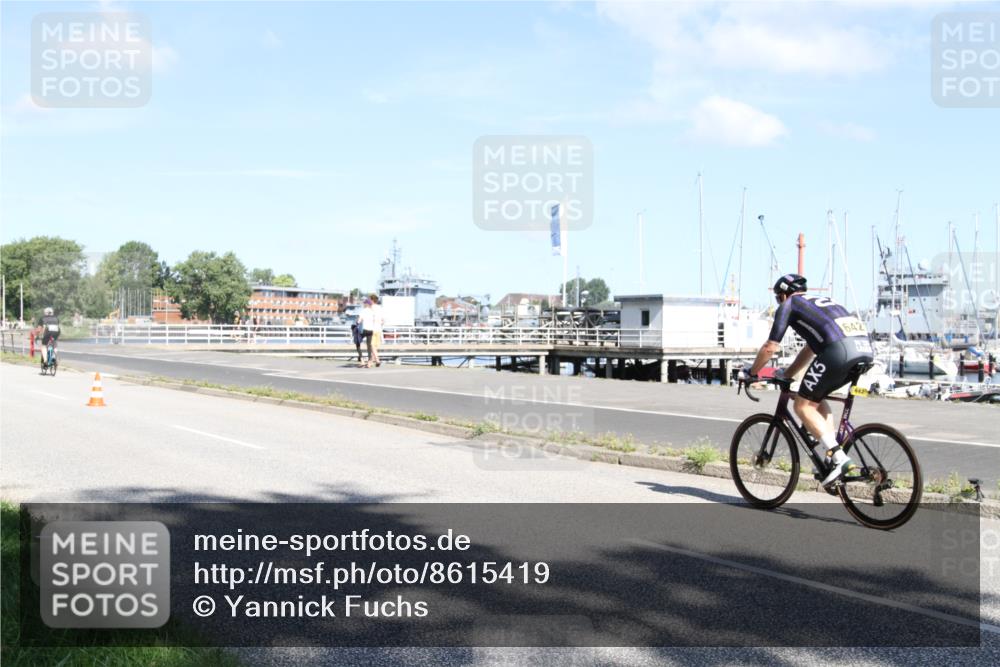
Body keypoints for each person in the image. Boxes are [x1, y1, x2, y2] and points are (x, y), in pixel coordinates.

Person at [742, 273, 874, 486]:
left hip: (839, 351)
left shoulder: (790, 304)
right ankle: (832, 458)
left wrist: (751, 373)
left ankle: (839, 458)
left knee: (802, 407)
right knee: (816, 401)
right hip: (864, 351)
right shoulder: (823, 304)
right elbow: (810, 348)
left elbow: (770, 347)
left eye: (778, 298)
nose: (779, 302)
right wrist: (787, 375)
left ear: (783, 294)